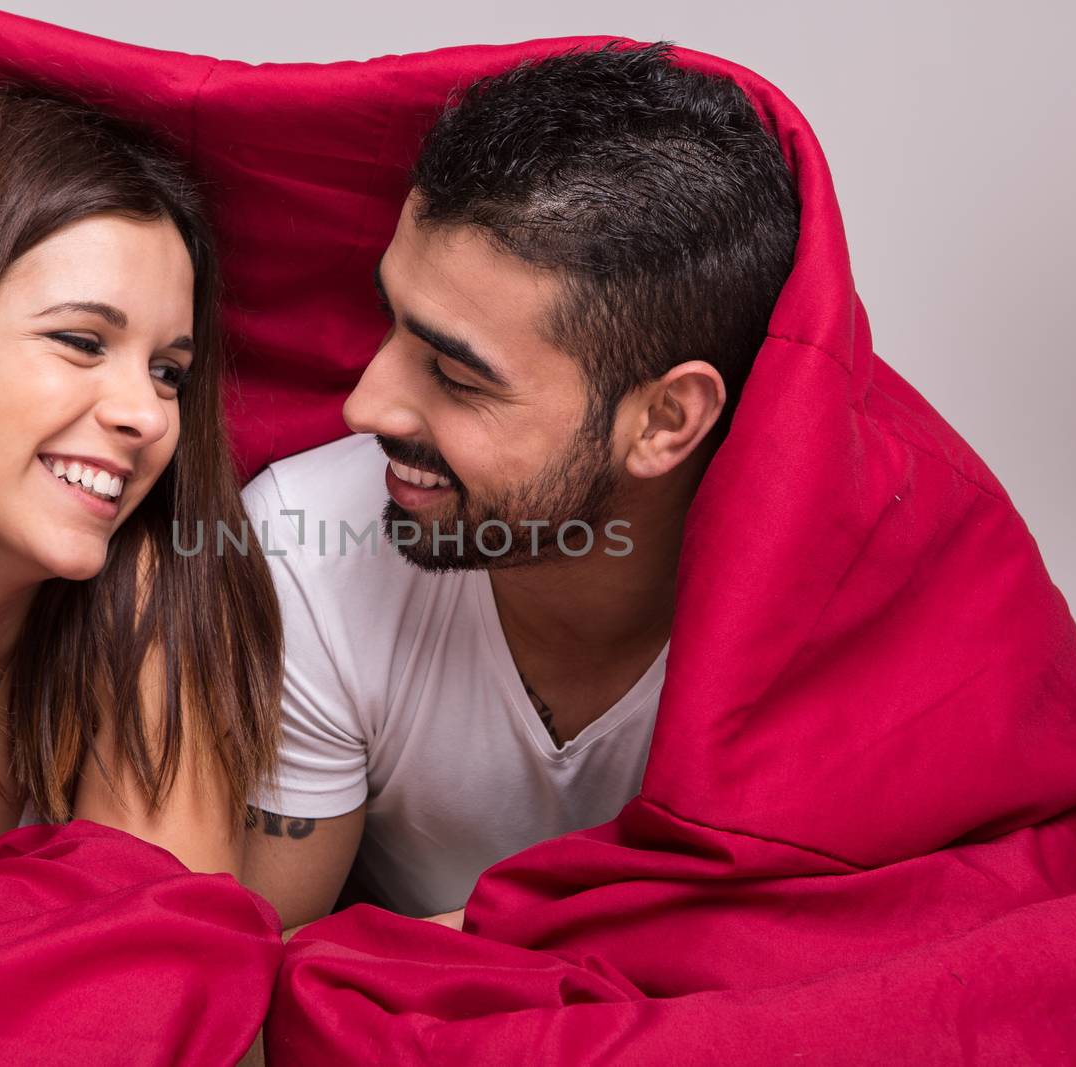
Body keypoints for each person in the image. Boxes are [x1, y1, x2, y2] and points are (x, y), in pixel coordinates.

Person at [239, 44, 799, 924]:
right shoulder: (300, 549)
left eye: (459, 378)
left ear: (664, 421)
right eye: (390, 319)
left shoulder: (836, 614)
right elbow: (263, 1000)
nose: (363, 405)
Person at [0, 88, 282, 871]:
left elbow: (172, 959)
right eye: (82, 341)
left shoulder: (161, 589)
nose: (148, 415)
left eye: (168, 371)